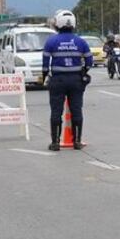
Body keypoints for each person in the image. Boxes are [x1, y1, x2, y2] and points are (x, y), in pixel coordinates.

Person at [42, 10, 93, 151]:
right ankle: (77, 141)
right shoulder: (81, 42)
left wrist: (45, 75)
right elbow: (89, 61)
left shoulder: (51, 41)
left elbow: (45, 64)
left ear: (58, 23)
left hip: (57, 80)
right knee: (77, 110)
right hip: (76, 80)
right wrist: (83, 71)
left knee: (56, 111)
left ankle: (55, 143)